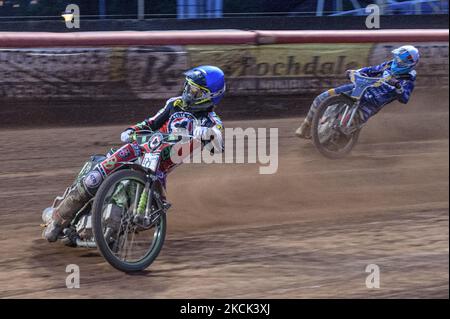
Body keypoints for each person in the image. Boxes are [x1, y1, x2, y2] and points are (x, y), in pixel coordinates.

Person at [44, 65, 226, 242]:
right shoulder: (174, 104)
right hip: (137, 149)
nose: (188, 92)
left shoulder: (210, 121)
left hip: (158, 168)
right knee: (94, 178)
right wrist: (132, 130)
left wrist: (209, 133)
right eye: (188, 86)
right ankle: (58, 218)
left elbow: (217, 147)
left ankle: (108, 231)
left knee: (128, 197)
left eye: (195, 90)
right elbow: (150, 123)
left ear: (209, 96)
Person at [295, 45, 420, 139]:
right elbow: (371, 70)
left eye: (399, 60)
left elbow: (404, 98)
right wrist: (355, 72)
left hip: (372, 103)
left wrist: (398, 87)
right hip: (360, 88)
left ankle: (336, 145)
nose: (395, 61)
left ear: (407, 64)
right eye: (396, 58)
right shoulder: (388, 65)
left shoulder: (408, 80)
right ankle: (306, 125)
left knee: (344, 129)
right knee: (322, 98)